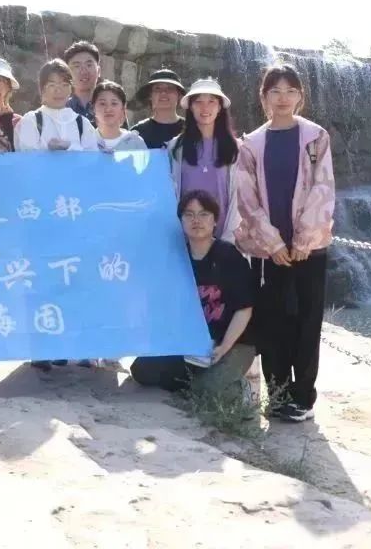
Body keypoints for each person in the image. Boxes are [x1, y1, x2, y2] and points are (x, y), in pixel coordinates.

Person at [235, 64, 335, 423]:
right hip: (269, 251)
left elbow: (323, 188)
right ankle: (277, 395)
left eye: (290, 91)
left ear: (300, 97)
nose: (283, 98)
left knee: (307, 322)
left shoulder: (315, 137)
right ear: (264, 97)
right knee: (273, 322)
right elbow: (247, 199)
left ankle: (303, 398)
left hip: (310, 248)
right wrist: (273, 243)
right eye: (275, 91)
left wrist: (305, 238)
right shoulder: (251, 144)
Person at [130, 190, 256, 404]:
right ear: (180, 221)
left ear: (215, 221)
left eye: (204, 214)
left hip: (232, 343)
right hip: (191, 345)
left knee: (210, 390)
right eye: (189, 215)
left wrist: (224, 346)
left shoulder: (229, 257)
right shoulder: (176, 258)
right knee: (142, 371)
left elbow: (244, 309)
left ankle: (235, 387)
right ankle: (198, 382)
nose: (196, 220)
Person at [166, 78, 241, 242]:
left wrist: (229, 239)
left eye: (211, 101)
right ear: (190, 107)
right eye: (198, 102)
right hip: (184, 240)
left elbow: (240, 198)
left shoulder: (237, 149)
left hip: (225, 238)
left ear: (220, 107)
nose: (205, 108)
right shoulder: (175, 148)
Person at [15, 58, 100, 152]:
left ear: (71, 89)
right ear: (42, 89)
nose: (58, 90)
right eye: (52, 85)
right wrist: (49, 149)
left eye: (64, 85)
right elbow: (27, 157)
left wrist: (70, 146)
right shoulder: (31, 121)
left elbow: (92, 158)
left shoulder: (83, 124)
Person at [130, 69, 186, 149]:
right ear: (150, 96)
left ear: (179, 95)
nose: (163, 92)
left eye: (170, 88)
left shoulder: (191, 129)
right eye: (157, 88)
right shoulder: (137, 133)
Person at [92, 81, 147, 152]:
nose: (108, 109)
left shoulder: (136, 143)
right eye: (102, 103)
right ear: (93, 108)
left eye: (114, 103)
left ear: (123, 108)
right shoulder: (86, 142)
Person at [64, 40, 101, 124]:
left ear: (99, 71)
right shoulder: (61, 109)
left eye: (89, 65)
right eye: (77, 66)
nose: (83, 71)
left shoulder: (111, 108)